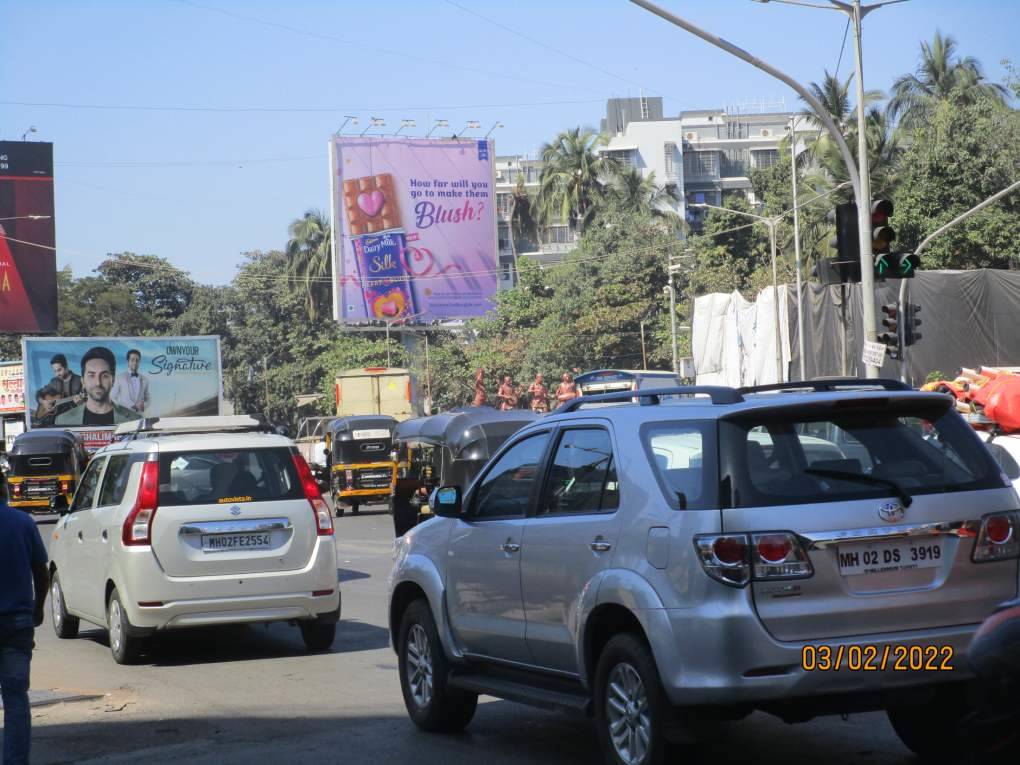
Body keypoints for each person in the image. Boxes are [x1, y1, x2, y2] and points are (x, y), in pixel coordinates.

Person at [0, 477, 49, 765]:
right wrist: (38, 610)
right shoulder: (23, 522)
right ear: (4, 490)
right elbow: (41, 573)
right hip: (18, 623)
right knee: (16, 698)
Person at [54, 347, 141, 427]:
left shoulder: (134, 420)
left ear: (113, 380)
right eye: (91, 375)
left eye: (104, 375)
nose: (98, 383)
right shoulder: (63, 421)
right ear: (83, 381)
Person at [36, 353, 84, 420]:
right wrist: (43, 402)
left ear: (66, 367)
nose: (57, 374)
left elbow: (88, 405)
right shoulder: (54, 381)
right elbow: (39, 393)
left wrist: (80, 404)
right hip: (57, 419)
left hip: (75, 418)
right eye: (55, 371)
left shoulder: (80, 381)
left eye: (59, 370)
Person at [110, 349, 150, 414]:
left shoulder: (145, 379)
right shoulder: (119, 378)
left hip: (139, 416)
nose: (135, 363)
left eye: (137, 360)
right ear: (128, 361)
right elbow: (112, 397)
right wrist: (131, 406)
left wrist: (143, 406)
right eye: (132, 360)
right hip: (124, 417)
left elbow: (148, 399)